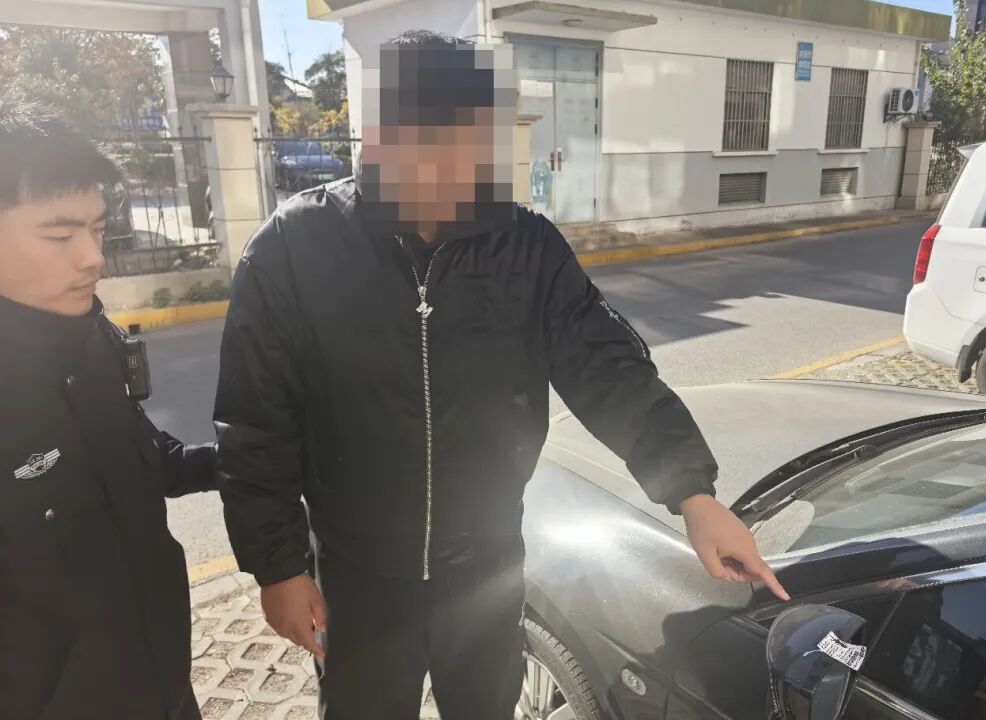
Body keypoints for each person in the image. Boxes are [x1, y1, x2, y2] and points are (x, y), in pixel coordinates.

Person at [214, 29, 788, 720]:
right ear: (381, 140)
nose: (463, 185)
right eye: (439, 156)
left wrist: (693, 493)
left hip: (487, 570)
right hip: (358, 578)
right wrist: (278, 567)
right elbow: (254, 422)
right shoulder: (292, 249)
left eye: (475, 157)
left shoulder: (525, 246)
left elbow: (607, 368)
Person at [0, 95, 217, 719]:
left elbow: (141, 459)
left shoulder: (94, 339)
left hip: (166, 688)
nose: (93, 256)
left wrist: (248, 458)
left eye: (96, 230)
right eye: (59, 234)